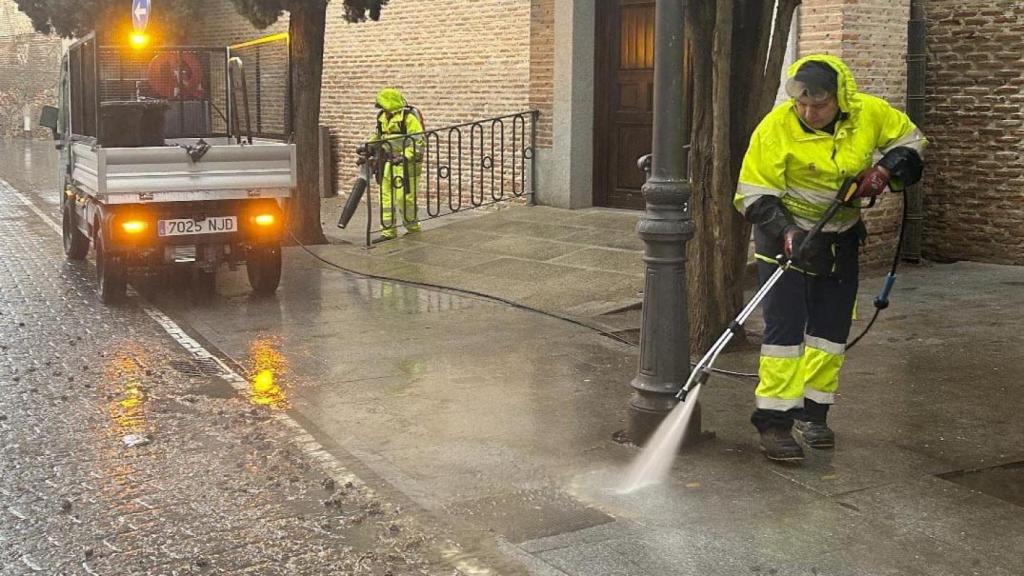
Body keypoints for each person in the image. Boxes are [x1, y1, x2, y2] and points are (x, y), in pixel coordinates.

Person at [734, 55, 926, 463]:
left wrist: (886, 170)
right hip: (786, 239)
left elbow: (910, 141)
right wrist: (787, 230)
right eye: (802, 104)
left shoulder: (868, 113)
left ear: (839, 98)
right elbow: (752, 193)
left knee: (829, 332)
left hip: (840, 240)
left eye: (818, 106)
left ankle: (813, 414)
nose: (809, 113)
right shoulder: (775, 127)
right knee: (784, 334)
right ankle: (775, 423)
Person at [367, 88, 424, 241]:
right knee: (386, 197)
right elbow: (378, 135)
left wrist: (406, 156)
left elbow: (418, 141)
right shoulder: (382, 117)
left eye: (383, 106)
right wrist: (368, 145)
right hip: (388, 162)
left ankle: (413, 228)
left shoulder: (408, 118)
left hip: (407, 165)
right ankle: (388, 232)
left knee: (404, 199)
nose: (382, 110)